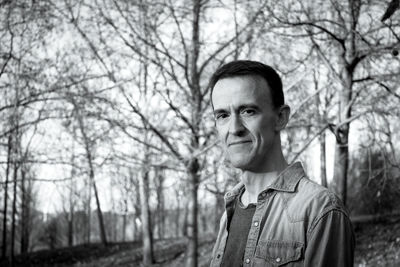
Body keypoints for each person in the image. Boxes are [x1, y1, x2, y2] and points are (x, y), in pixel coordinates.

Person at [209, 60, 355, 267]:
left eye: (248, 111)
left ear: (280, 117)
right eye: (222, 115)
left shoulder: (319, 211)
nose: (234, 128)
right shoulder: (228, 215)